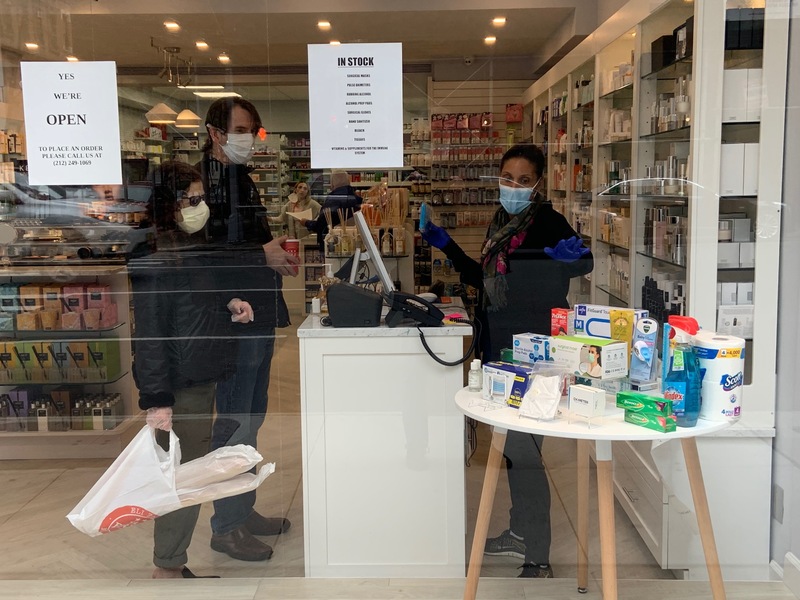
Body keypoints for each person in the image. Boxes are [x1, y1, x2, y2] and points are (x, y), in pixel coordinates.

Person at [421, 144, 593, 578]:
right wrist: (446, 245)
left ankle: (538, 553)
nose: (512, 186)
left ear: (537, 184)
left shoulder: (546, 221)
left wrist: (575, 260)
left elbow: (581, 259)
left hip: (534, 353)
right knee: (515, 452)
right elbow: (485, 278)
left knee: (525, 451)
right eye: (506, 176)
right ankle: (520, 532)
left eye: (522, 179)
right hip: (502, 348)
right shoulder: (501, 223)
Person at [130, 161, 255, 579]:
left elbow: (193, 301)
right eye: (192, 199)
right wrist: (157, 401)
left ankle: (170, 561)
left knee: (189, 474)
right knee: (183, 478)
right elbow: (149, 334)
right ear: (170, 203)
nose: (200, 207)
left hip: (199, 375)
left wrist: (228, 305)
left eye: (202, 198)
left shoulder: (187, 246)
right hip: (180, 384)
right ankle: (168, 566)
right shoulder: (154, 255)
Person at [198, 97, 299, 562]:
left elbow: (247, 241)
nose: (249, 138)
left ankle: (243, 507)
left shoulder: (238, 179)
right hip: (234, 319)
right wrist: (265, 254)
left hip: (256, 313)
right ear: (216, 134)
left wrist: (273, 252)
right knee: (235, 421)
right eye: (241, 130)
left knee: (252, 419)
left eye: (253, 130)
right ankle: (227, 525)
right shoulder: (205, 187)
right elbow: (207, 257)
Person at [299, 169, 362, 247]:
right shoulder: (356, 199)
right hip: (352, 243)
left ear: (332, 184)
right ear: (348, 182)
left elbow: (321, 226)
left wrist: (306, 223)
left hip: (333, 245)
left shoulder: (333, 200)